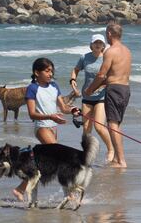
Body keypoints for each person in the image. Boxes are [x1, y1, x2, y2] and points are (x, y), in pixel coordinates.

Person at [13, 57, 79, 200]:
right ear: (37, 72)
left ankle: (20, 189)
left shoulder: (54, 86)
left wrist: (73, 110)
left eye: (51, 71)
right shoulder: (32, 88)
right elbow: (32, 114)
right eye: (47, 71)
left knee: (46, 163)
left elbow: (63, 108)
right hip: (41, 127)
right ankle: (69, 194)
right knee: (61, 158)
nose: (50, 74)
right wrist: (51, 117)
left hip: (53, 127)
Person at [85, 22, 132, 168]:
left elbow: (101, 75)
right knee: (116, 124)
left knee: (112, 125)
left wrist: (90, 90)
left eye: (106, 34)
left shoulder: (110, 52)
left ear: (109, 34)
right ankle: (118, 158)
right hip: (125, 89)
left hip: (115, 89)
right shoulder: (127, 51)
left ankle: (120, 161)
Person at [70, 34, 115, 163]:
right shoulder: (84, 57)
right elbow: (75, 70)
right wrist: (73, 79)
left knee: (99, 127)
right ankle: (87, 153)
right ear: (91, 45)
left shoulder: (107, 58)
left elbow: (111, 76)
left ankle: (111, 149)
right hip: (87, 97)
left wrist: (104, 85)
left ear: (103, 45)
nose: (97, 45)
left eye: (100, 43)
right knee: (86, 128)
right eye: (95, 43)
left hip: (101, 97)